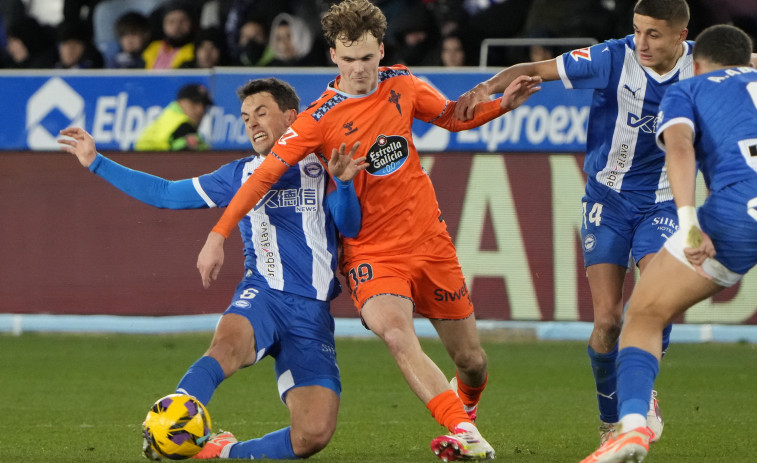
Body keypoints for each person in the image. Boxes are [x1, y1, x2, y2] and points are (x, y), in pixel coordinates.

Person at [195, 0, 541, 460]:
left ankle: (466, 413)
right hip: (371, 253)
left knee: (472, 363)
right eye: (348, 59)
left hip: (429, 242)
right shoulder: (316, 119)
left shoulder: (403, 83)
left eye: (366, 57)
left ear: (381, 49)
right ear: (333, 57)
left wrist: (501, 105)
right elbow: (261, 177)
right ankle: (466, 434)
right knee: (398, 334)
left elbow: (452, 117)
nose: (359, 69)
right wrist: (218, 235)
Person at [57, 77, 366, 460]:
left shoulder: (323, 166)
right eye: (245, 117)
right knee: (226, 347)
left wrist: (346, 184)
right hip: (263, 295)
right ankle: (170, 423)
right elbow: (166, 194)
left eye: (261, 113)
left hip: (312, 312)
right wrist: (96, 162)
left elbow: (350, 226)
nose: (251, 123)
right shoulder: (239, 174)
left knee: (313, 435)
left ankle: (221, 452)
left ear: (291, 116)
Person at [456, 0, 697, 445]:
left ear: (681, 36)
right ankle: (611, 424)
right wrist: (486, 87)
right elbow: (534, 69)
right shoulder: (612, 57)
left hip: (663, 204)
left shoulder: (703, 62)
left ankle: (641, 394)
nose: (641, 42)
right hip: (607, 200)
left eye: (653, 35)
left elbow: (747, 63)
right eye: (637, 30)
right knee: (607, 319)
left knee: (655, 302)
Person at [581, 24, 757, 463]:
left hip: (738, 215)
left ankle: (634, 427)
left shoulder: (689, 88)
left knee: (643, 313)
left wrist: (689, 221)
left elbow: (679, 149)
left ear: (695, 64)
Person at [135, 83, 213, 152]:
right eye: (194, 102)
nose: (200, 110)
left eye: (204, 105)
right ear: (180, 102)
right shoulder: (183, 125)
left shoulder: (167, 117)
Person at [142, 0, 196, 69]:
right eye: (171, 22)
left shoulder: (197, 50)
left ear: (192, 23)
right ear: (163, 25)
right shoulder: (153, 47)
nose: (177, 26)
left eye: (182, 21)